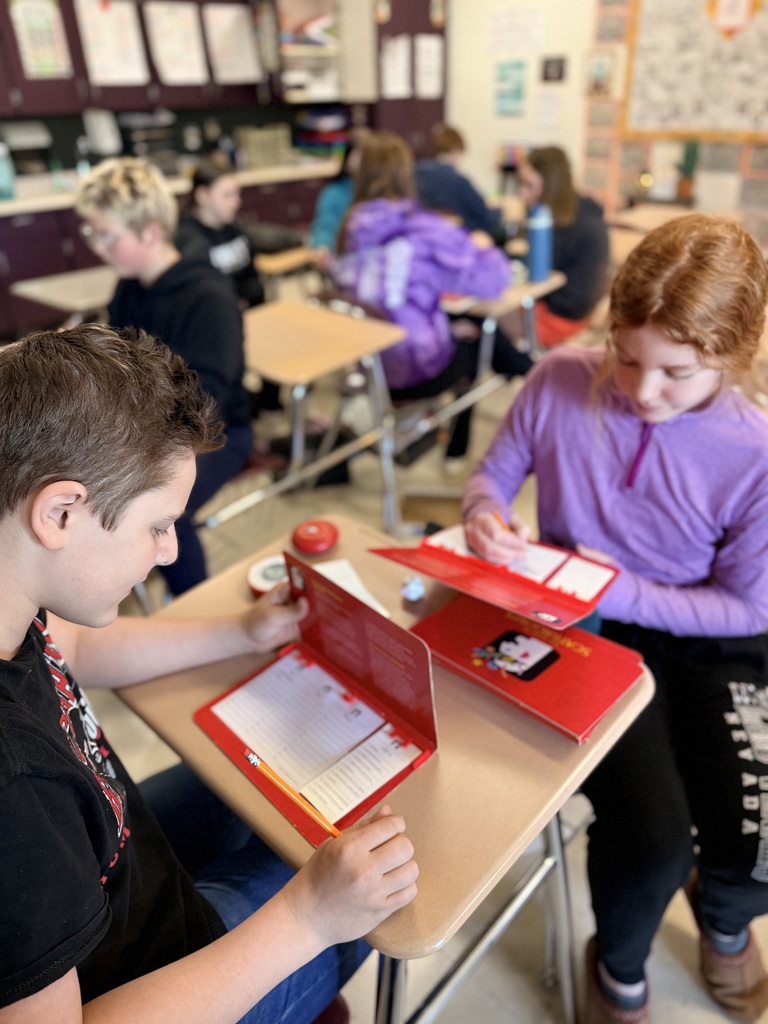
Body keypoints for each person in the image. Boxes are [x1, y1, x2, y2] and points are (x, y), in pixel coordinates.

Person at [0, 323, 418, 1024]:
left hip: (118, 868)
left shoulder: (17, 590)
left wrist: (240, 633)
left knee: (270, 781)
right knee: (376, 886)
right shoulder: (16, 793)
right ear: (61, 511)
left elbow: (69, 647)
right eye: (158, 525)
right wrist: (309, 918)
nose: (168, 553)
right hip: (151, 977)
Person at [462, 213, 768, 1023]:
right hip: (583, 627)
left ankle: (726, 919)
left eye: (677, 373)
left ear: (732, 360)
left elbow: (746, 605)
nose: (640, 390)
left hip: (709, 630)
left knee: (756, 838)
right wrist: (486, 517)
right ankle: (620, 971)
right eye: (625, 357)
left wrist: (612, 586)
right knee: (653, 835)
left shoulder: (755, 447)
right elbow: (489, 480)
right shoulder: (560, 378)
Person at [75, 156, 252, 596]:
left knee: (160, 507)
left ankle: (193, 601)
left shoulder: (207, 298)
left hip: (217, 432)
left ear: (150, 232)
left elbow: (206, 403)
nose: (97, 246)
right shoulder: (131, 286)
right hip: (152, 427)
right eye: (91, 232)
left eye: (106, 236)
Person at [331, 130, 531, 466]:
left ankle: (528, 376)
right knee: (482, 333)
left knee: (468, 328)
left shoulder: (350, 230)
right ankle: (526, 386)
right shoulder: (423, 230)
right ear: (405, 175)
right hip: (415, 370)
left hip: (370, 365)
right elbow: (493, 282)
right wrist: (484, 245)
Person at [176, 157, 282, 415]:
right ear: (202, 195)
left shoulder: (233, 230)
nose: (236, 201)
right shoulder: (188, 240)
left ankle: (268, 404)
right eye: (227, 195)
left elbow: (251, 274)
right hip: (222, 327)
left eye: (237, 194)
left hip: (255, 318)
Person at [516, 145, 609, 347]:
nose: (522, 194)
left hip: (563, 319)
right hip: (575, 311)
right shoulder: (581, 213)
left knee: (488, 321)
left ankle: (523, 370)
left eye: (528, 185)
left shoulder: (570, 226)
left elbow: (536, 273)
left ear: (550, 185)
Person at [415, 123, 503, 237]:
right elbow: (486, 220)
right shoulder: (458, 181)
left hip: (421, 240)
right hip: (455, 243)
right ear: (456, 150)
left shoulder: (415, 173)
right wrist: (501, 210)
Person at [308, 136, 364, 268]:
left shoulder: (384, 194)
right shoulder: (335, 194)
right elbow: (325, 226)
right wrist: (322, 246)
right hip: (348, 263)